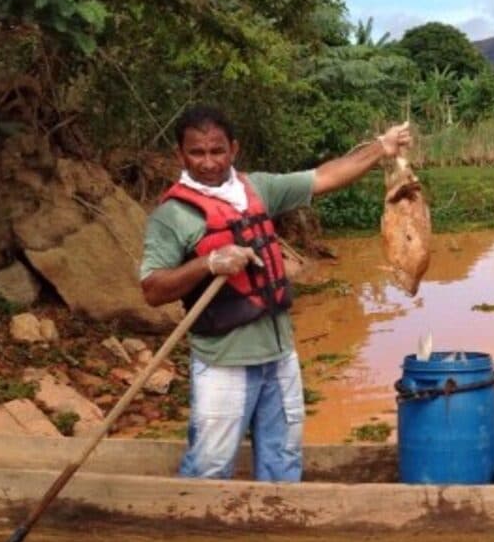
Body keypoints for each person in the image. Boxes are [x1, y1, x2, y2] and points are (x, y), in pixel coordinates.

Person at [140, 105, 411, 481]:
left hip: (279, 356)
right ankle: (198, 535)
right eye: (196, 153)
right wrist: (209, 262)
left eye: (216, 151)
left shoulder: (259, 189)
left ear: (233, 149)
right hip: (223, 362)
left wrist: (381, 147)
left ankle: (275, 531)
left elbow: (324, 177)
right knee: (211, 466)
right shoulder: (172, 217)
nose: (207, 162)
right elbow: (152, 289)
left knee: (283, 461)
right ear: (180, 155)